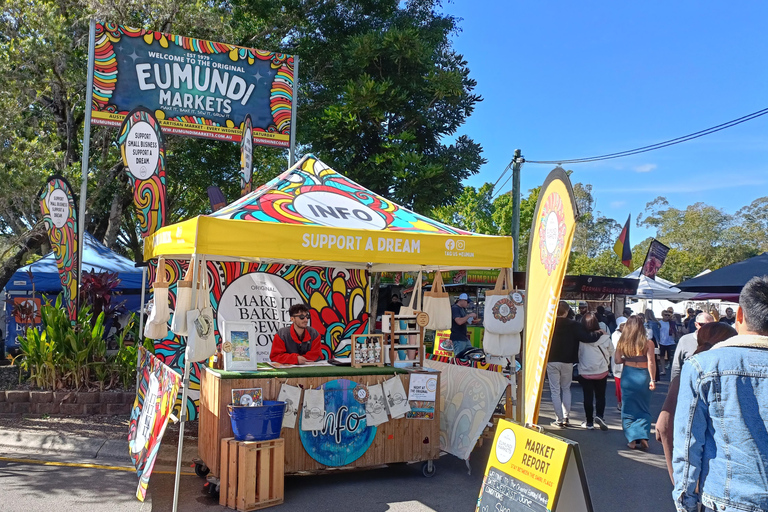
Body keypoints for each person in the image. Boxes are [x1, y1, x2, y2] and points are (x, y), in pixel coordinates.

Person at [672, 276, 768, 512]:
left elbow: (688, 444)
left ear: (739, 316)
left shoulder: (702, 366)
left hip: (725, 498)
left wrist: (685, 502)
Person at [655, 322, 737, 484]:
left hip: (702, 475)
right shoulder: (732, 377)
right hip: (723, 473)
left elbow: (663, 427)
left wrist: (678, 479)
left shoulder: (691, 372)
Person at [547, 301, 603, 428]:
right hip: (568, 360)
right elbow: (587, 337)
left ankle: (559, 419)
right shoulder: (573, 325)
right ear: (567, 311)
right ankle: (566, 417)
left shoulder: (549, 324)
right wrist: (599, 333)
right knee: (566, 388)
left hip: (551, 360)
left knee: (555, 390)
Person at [614, 315, 656, 450]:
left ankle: (632, 440)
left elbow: (617, 360)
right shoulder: (648, 343)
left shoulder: (622, 342)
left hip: (628, 376)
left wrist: (627, 359)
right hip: (643, 376)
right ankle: (643, 435)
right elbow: (651, 362)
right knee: (643, 408)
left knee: (628, 409)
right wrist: (652, 380)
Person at [576, 313, 614, 431]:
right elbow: (612, 351)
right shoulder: (605, 337)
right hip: (601, 370)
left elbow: (577, 354)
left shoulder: (580, 339)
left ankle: (589, 422)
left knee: (588, 397)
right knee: (600, 396)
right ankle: (600, 416)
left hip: (585, 371)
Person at [670, 312, 714, 381]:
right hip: (688, 382)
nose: (706, 328)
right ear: (696, 324)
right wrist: (673, 385)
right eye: (702, 324)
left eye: (710, 325)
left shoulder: (718, 341)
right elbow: (676, 366)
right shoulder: (685, 340)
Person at [611, 317, 627, 410]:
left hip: (627, 362)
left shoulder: (628, 334)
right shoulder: (615, 335)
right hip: (618, 362)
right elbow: (617, 347)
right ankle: (620, 402)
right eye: (623, 325)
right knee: (619, 384)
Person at [658, 310, 678, 376]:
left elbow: (676, 331)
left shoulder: (672, 323)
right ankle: (663, 370)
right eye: (665, 315)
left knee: (671, 357)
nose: (667, 316)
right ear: (662, 315)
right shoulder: (659, 323)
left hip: (671, 342)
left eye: (668, 315)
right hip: (662, 342)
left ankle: (672, 370)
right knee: (662, 356)